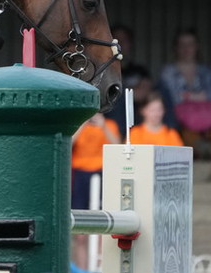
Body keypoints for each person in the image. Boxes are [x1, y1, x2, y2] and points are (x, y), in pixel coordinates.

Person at [157, 28, 211, 178]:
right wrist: (200, 96)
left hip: (207, 119)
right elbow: (173, 98)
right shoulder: (168, 71)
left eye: (191, 44)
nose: (187, 49)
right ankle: (205, 152)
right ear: (176, 48)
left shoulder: (205, 71)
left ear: (197, 47)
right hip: (182, 120)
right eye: (182, 45)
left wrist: (190, 96)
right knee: (188, 135)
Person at [71, 113, 121, 271]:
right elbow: (69, 143)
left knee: (101, 229)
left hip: (102, 173)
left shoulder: (110, 124)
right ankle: (82, 269)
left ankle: (99, 268)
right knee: (80, 233)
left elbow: (118, 146)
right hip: (80, 176)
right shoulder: (78, 125)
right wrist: (82, 123)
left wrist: (103, 126)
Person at [106, 24, 154, 130]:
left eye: (124, 40)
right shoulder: (103, 71)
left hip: (135, 120)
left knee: (121, 98)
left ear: (130, 44)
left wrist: (117, 92)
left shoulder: (139, 70)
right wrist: (131, 90)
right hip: (109, 121)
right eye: (117, 41)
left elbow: (142, 94)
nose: (121, 44)